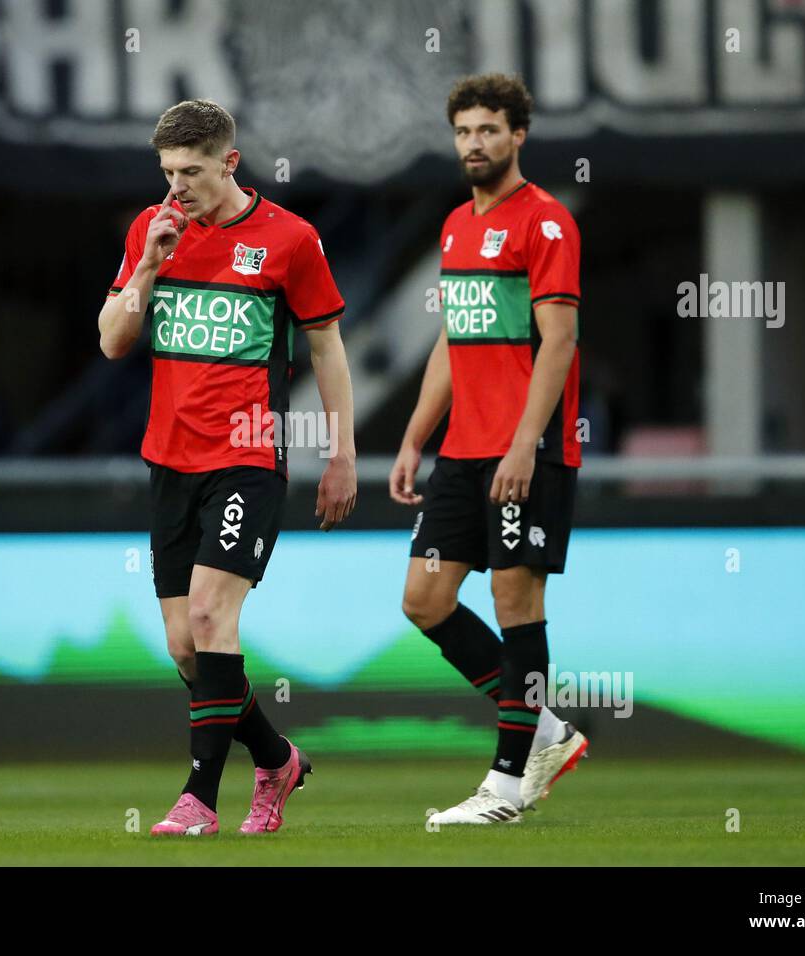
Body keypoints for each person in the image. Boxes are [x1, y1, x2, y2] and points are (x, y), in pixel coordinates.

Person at [97, 99, 357, 836]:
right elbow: (114, 340)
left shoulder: (290, 240)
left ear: (230, 163)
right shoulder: (154, 230)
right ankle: (276, 760)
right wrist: (148, 265)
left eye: (192, 172)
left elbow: (326, 346)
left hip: (246, 454)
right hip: (169, 459)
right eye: (168, 173)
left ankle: (198, 799)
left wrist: (341, 452)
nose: (178, 187)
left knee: (213, 614)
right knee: (187, 648)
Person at [391, 73, 588, 825]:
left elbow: (560, 341)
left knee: (516, 601)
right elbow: (453, 339)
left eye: (488, 130)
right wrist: (414, 436)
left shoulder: (546, 224)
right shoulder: (453, 227)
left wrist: (525, 445)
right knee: (426, 598)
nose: (474, 143)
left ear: (518, 136)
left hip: (524, 451)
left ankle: (506, 787)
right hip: (464, 451)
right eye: (464, 131)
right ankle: (544, 730)